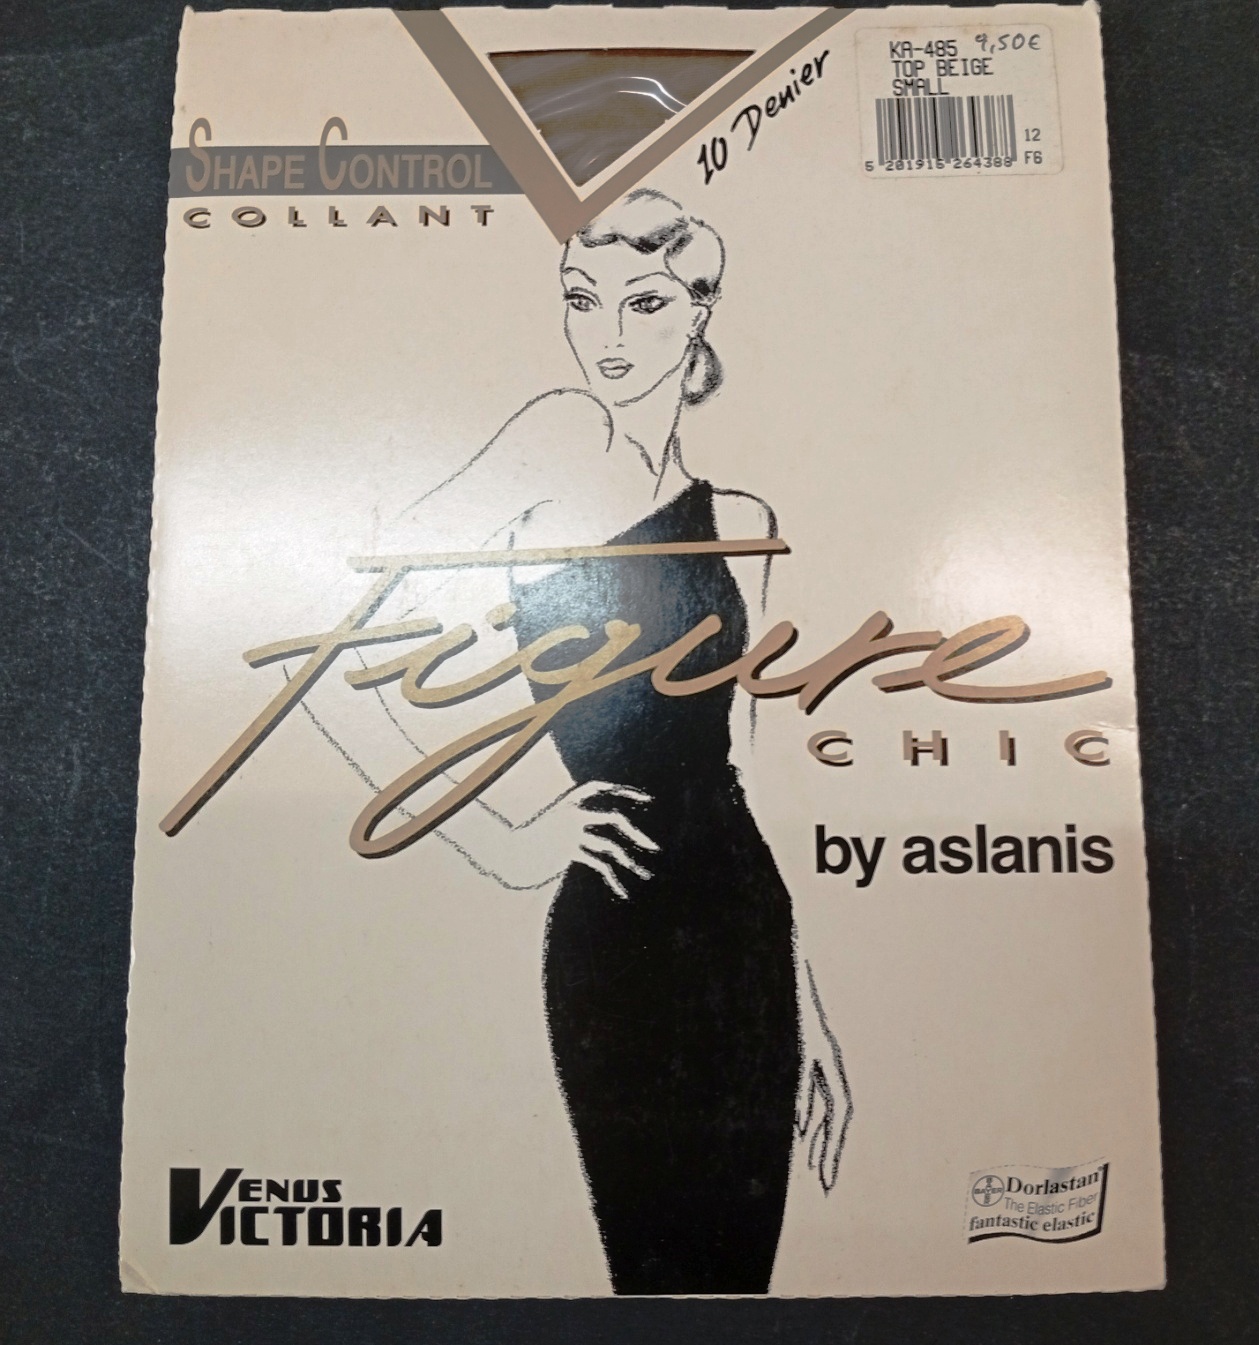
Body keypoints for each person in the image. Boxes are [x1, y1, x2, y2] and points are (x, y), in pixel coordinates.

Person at [300, 188, 851, 1295]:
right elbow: (329, 645)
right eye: (580, 300)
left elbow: (739, 774)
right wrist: (503, 835)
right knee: (656, 1270)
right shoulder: (556, 437)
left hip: (745, 930)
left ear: (698, 314)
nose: (605, 334)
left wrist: (808, 1003)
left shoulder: (742, 513)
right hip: (619, 925)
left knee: (738, 1279)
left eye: (642, 302)